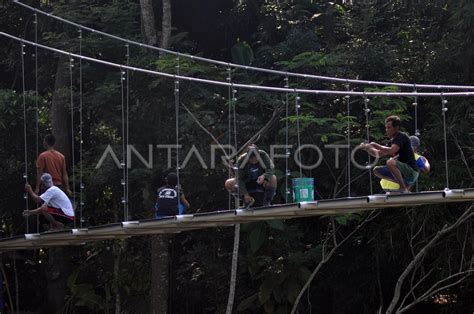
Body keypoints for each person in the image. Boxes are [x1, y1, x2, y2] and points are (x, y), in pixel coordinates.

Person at [360, 116, 419, 193]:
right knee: (376, 170)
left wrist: (375, 144)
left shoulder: (402, 137)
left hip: (412, 172)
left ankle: (403, 188)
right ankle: (404, 185)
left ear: (396, 128)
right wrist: (368, 148)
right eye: (386, 128)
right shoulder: (392, 141)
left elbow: (391, 151)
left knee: (390, 162)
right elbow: (379, 154)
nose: (386, 130)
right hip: (403, 172)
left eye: (389, 128)